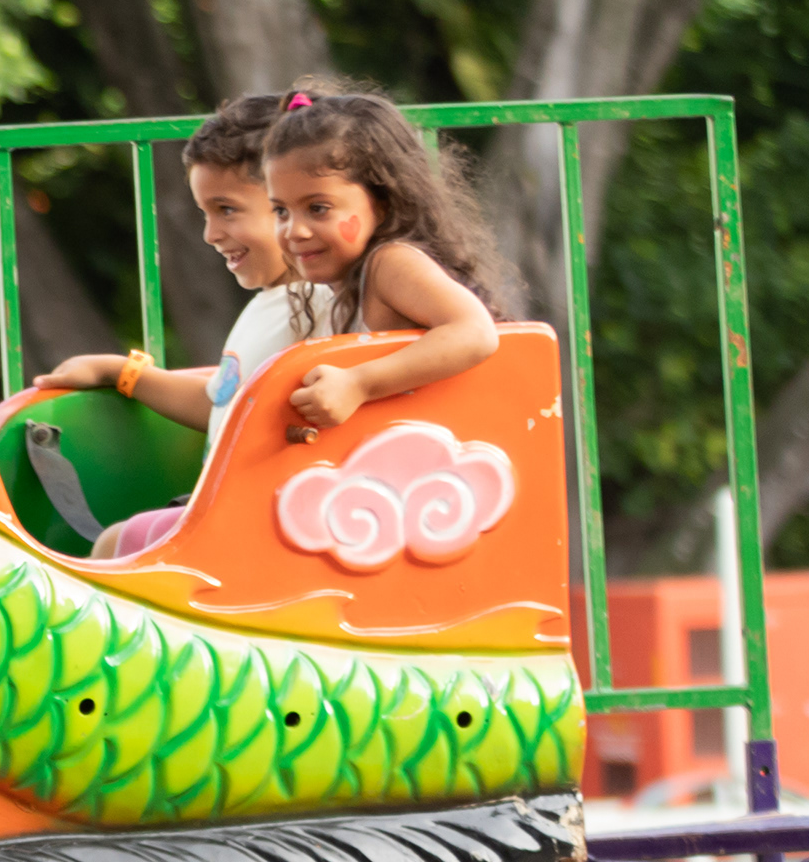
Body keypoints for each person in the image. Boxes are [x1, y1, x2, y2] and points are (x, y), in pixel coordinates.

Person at [28, 89, 328, 556]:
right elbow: (221, 407)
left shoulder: (323, 302)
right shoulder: (274, 302)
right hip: (235, 507)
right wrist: (122, 373)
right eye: (205, 214)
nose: (210, 234)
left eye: (226, 210)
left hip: (270, 520)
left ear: (288, 201)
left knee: (112, 545)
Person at [257, 86, 507, 431]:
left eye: (318, 208)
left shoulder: (389, 264)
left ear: (383, 203)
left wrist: (358, 383)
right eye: (281, 211)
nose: (294, 230)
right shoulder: (343, 284)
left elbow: (475, 332)